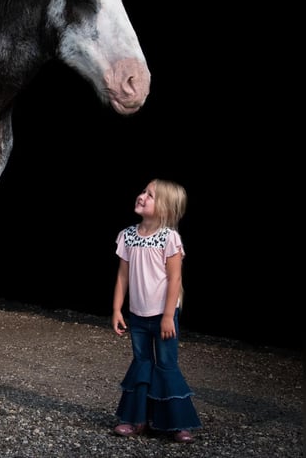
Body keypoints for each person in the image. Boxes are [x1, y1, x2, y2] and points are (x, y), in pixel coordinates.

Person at [110, 178, 201, 444]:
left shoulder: (169, 238)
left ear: (166, 208)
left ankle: (176, 423)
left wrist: (167, 316)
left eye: (150, 195)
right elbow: (122, 278)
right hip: (138, 317)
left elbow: (175, 279)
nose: (142, 196)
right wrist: (117, 310)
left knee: (166, 366)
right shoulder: (127, 235)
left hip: (163, 316)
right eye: (143, 191)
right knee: (141, 365)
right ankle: (137, 419)